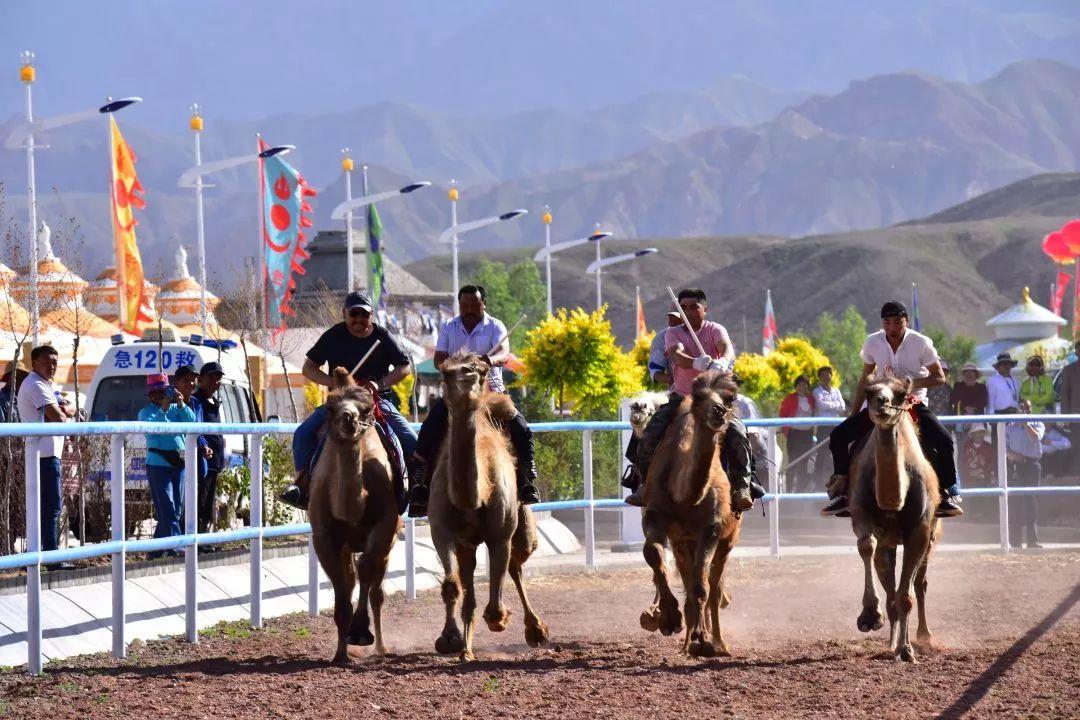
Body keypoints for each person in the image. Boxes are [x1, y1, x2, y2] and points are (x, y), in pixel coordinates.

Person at [407, 285, 540, 517]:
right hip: (457, 394)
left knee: (519, 424)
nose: (469, 310)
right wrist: (453, 365)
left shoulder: (495, 326)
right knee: (430, 427)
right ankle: (420, 485)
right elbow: (439, 358)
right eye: (464, 305)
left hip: (491, 393)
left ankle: (528, 477)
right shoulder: (449, 326)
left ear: (483, 304)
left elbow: (504, 355)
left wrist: (488, 360)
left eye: (473, 305)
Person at [822, 300, 963, 518]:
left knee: (943, 439)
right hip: (880, 404)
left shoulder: (920, 342)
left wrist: (913, 383)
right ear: (883, 324)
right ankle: (842, 492)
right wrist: (854, 412)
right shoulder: (873, 342)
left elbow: (939, 377)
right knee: (839, 436)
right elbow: (866, 377)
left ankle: (947, 493)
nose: (892, 328)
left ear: (906, 321)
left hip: (911, 404)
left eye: (898, 322)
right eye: (887, 323)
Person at [280, 290, 417, 510]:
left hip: (375, 401)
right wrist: (331, 382)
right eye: (354, 314)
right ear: (345, 313)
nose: (359, 320)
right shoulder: (333, 335)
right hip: (339, 401)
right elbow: (308, 367)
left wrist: (379, 384)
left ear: (371, 315)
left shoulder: (382, 336)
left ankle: (417, 487)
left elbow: (404, 367)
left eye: (364, 315)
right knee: (303, 434)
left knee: (409, 438)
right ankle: (301, 485)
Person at [623, 288, 756, 511]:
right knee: (651, 434)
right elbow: (677, 355)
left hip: (714, 399)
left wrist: (723, 361)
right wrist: (696, 363)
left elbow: (727, 348)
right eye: (683, 307)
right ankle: (645, 484)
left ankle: (742, 486)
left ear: (705, 309)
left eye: (694, 307)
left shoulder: (716, 329)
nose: (688, 312)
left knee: (738, 433)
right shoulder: (672, 333)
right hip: (681, 399)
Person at [17, 345, 76, 568]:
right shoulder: (35, 384)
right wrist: (66, 410)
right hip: (43, 455)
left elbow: (60, 412)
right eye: (47, 362)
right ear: (34, 364)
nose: (52, 366)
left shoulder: (44, 385)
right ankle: (50, 559)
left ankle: (40, 555)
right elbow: (58, 417)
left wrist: (64, 409)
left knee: (46, 507)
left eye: (54, 362)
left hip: (48, 454)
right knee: (50, 506)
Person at [139, 372, 196, 558]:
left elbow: (192, 422)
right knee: (167, 507)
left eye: (164, 391)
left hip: (179, 462)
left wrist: (181, 404)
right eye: (156, 392)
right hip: (158, 464)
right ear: (150, 395)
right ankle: (176, 545)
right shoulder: (145, 412)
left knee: (176, 509)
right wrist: (163, 410)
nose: (161, 395)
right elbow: (152, 433)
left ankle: (156, 550)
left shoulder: (176, 408)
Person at [189, 362, 226, 534]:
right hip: (201, 459)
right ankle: (197, 537)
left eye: (218, 378)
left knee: (209, 500)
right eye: (211, 377)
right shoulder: (196, 401)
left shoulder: (215, 401)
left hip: (214, 460)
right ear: (201, 379)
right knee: (199, 499)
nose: (215, 381)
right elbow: (196, 429)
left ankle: (204, 537)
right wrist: (202, 447)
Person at [1004, 401, 1043, 549]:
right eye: (1022, 408)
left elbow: (1036, 438)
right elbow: (1004, 448)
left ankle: (1032, 541)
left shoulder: (1038, 423)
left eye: (1027, 408)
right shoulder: (1009, 426)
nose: (1024, 410)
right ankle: (1015, 542)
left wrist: (1026, 424)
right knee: (1015, 504)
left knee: (1031, 504)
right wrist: (1013, 456)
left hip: (1032, 466)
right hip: (1016, 467)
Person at [779, 376, 816, 493]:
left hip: (807, 434)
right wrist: (785, 430)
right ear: (796, 386)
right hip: (794, 434)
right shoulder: (790, 398)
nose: (802, 387)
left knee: (804, 463)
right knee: (792, 462)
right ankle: (789, 492)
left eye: (805, 385)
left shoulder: (811, 399)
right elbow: (783, 414)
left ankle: (801, 492)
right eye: (799, 384)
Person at [812, 366, 846, 486]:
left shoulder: (836, 391)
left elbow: (843, 406)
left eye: (828, 374)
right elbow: (821, 405)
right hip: (823, 427)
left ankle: (837, 483)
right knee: (821, 454)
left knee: (837, 454)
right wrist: (835, 405)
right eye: (823, 375)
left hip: (835, 427)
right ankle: (817, 484)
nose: (826, 377)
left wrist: (831, 405)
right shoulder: (817, 392)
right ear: (820, 377)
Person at [647, 311, 683, 389]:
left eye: (677, 319)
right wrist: (672, 379)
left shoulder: (704, 332)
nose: (673, 322)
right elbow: (655, 369)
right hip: (677, 393)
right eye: (671, 318)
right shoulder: (661, 338)